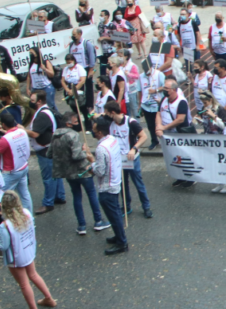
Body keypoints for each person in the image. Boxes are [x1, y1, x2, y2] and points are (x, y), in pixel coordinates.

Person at [0, 191, 57, 309]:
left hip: (16, 257)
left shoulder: (5, 226)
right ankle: (49, 298)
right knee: (34, 275)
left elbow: (2, 245)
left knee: (24, 283)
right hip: (28, 250)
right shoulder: (26, 213)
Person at [49, 112, 110, 236]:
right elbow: (76, 155)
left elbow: (49, 154)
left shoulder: (55, 136)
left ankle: (81, 225)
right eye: (76, 122)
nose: (78, 124)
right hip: (82, 171)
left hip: (69, 173)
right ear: (68, 124)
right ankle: (98, 221)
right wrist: (86, 152)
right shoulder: (73, 135)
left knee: (77, 197)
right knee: (92, 194)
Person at [88, 116, 128, 255]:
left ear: (99, 132)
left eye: (94, 129)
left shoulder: (101, 148)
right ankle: (118, 237)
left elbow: (99, 171)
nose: (92, 131)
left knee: (114, 216)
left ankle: (122, 243)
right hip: (115, 181)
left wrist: (91, 163)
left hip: (107, 186)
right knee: (115, 212)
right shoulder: (113, 140)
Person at [106, 101, 153, 219]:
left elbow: (144, 136)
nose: (105, 115)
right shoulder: (110, 122)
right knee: (122, 184)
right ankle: (126, 206)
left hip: (131, 158)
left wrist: (134, 148)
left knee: (138, 183)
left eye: (107, 113)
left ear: (112, 112)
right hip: (118, 159)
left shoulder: (130, 122)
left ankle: (146, 207)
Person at [25, 90, 66, 215]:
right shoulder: (47, 111)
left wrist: (22, 129)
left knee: (48, 177)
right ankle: (60, 196)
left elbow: (35, 133)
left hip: (45, 150)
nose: (30, 102)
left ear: (38, 101)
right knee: (56, 174)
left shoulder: (42, 115)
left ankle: (48, 203)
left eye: (32, 100)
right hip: (51, 147)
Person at [0, 112, 33, 213]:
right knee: (25, 194)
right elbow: (13, 136)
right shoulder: (22, 132)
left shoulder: (5, 140)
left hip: (11, 172)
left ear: (3, 124)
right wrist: (4, 132)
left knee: (2, 196)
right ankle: (29, 219)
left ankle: (7, 219)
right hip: (23, 167)